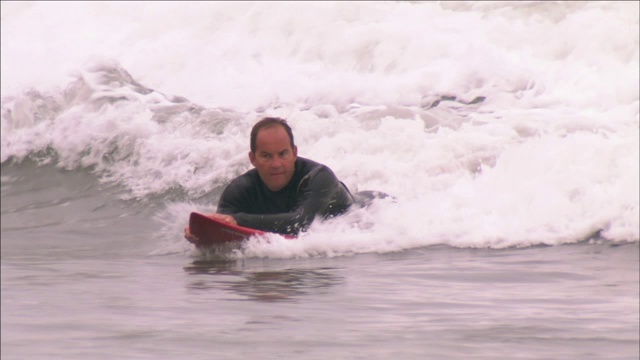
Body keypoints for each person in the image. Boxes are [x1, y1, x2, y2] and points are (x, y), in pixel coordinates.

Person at [185, 117, 371, 243]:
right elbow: (224, 228)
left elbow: (301, 223)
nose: (276, 164)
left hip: (370, 212)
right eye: (266, 156)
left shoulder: (319, 177)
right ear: (253, 158)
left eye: (283, 154)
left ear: (295, 153)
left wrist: (238, 220)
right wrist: (202, 234)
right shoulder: (239, 189)